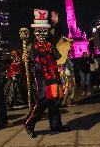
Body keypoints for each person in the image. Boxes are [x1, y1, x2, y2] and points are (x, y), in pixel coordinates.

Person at [23, 9, 67, 138]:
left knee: (55, 100)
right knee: (42, 100)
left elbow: (58, 34)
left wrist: (57, 23)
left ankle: (56, 124)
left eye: (44, 30)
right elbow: (26, 61)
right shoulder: (31, 46)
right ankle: (29, 123)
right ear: (35, 32)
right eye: (39, 30)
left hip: (53, 75)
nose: (42, 33)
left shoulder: (50, 42)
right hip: (40, 77)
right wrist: (24, 58)